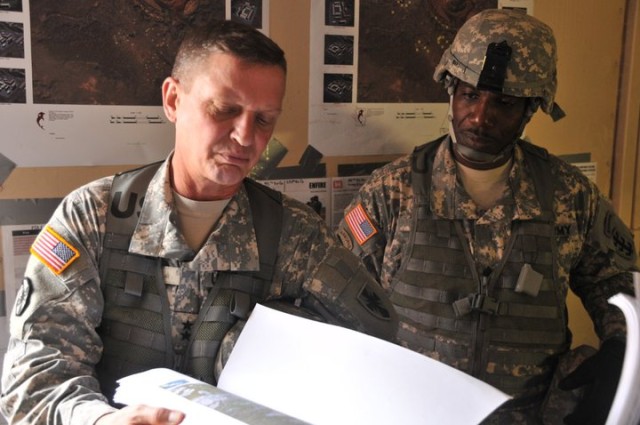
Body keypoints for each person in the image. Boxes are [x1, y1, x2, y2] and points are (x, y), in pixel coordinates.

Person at [0, 20, 397, 425]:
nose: (245, 138)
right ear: (173, 99)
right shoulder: (94, 219)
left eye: (263, 120)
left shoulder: (296, 236)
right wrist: (102, 421)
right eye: (224, 110)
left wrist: (269, 347)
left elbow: (374, 354)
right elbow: (32, 385)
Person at [337, 8, 636, 424]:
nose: (480, 117)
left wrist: (621, 352)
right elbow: (337, 298)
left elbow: (618, 283)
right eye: (470, 95)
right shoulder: (392, 192)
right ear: (450, 89)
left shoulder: (569, 196)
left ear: (532, 108)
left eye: (505, 103)